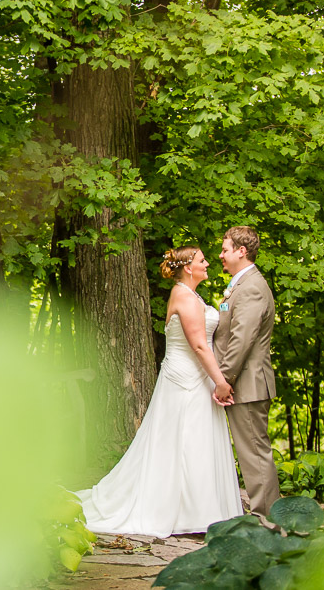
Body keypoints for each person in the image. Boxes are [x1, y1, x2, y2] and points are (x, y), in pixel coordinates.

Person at [74, 247, 243, 537]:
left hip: (195, 376)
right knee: (185, 440)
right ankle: (184, 512)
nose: (207, 264)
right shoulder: (184, 297)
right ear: (188, 267)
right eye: (202, 261)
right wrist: (221, 382)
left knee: (194, 440)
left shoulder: (192, 296)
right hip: (186, 378)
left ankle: (200, 510)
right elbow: (200, 345)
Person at [213, 226, 281, 518]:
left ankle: (268, 519)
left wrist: (224, 379)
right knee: (251, 452)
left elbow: (242, 338)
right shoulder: (239, 285)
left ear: (242, 251)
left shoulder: (252, 287)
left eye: (225, 249)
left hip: (247, 383)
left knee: (254, 452)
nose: (221, 255)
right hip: (243, 382)